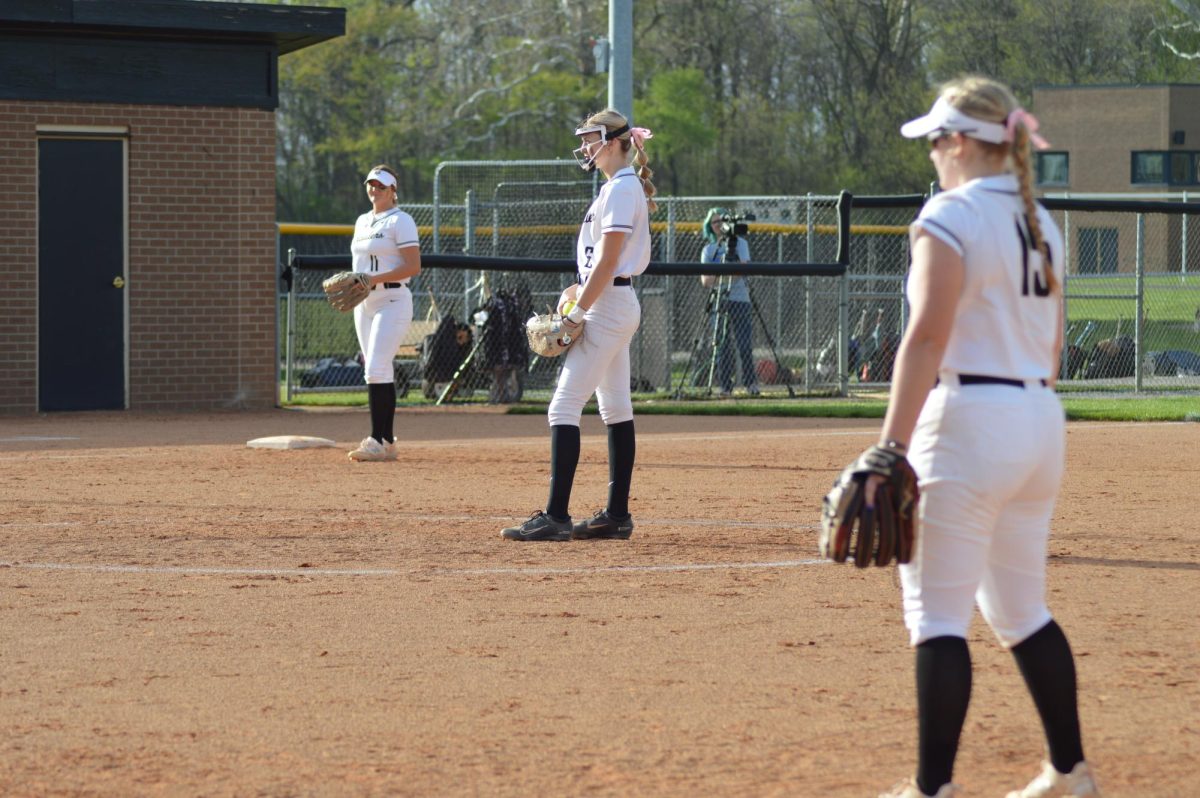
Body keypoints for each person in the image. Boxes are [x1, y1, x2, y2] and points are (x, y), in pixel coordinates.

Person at [869, 77, 1100, 798]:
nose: (934, 153)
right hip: (1038, 421)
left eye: (937, 140)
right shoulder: (1041, 222)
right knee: (1021, 609)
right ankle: (1071, 772)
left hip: (969, 421)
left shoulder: (953, 211)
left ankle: (930, 790)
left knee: (937, 616)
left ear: (962, 142)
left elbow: (928, 335)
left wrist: (889, 447)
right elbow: (1055, 347)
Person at [500, 109, 655, 542]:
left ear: (614, 141)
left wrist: (576, 313)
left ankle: (556, 516)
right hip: (613, 301)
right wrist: (578, 292)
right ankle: (616, 515)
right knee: (616, 408)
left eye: (592, 138)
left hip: (607, 306)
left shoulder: (622, 188)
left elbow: (608, 262)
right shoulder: (617, 187)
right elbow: (602, 265)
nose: (585, 147)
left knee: (563, 406)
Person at [346, 164, 422, 462]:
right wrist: (355, 282)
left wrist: (371, 279)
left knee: (376, 367)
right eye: (370, 184)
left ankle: (376, 440)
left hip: (392, 298)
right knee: (377, 369)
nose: (374, 189)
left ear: (393, 191)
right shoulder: (362, 221)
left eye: (380, 185)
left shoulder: (400, 220)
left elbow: (413, 266)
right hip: (364, 302)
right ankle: (388, 441)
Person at [699, 207, 759, 396]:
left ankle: (751, 385)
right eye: (714, 222)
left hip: (740, 300)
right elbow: (705, 281)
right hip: (719, 301)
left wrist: (720, 275)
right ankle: (725, 386)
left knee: (744, 344)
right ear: (709, 226)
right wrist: (727, 276)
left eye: (720, 221)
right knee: (722, 346)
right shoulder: (709, 249)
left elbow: (743, 270)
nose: (718, 225)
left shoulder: (739, 243)